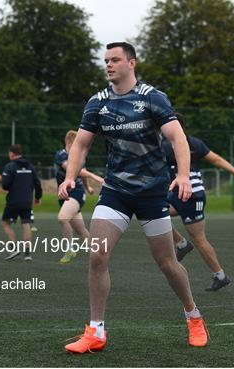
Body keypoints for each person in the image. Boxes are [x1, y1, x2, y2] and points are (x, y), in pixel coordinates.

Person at [59, 41, 208, 354]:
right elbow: (81, 145)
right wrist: (71, 176)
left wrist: (182, 175)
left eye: (115, 60)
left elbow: (177, 136)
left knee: (167, 263)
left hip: (151, 193)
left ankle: (193, 315)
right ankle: (95, 331)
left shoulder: (152, 97)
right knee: (97, 255)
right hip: (115, 191)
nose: (109, 65)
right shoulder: (97, 103)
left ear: (132, 63)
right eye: (106, 60)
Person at [162, 113, 234, 291]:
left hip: (191, 194)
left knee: (199, 238)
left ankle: (221, 276)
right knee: (151, 212)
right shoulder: (193, 142)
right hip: (176, 193)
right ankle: (181, 244)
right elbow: (216, 159)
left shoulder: (166, 145)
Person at [55, 130, 104, 264]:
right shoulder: (61, 155)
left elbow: (82, 173)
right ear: (68, 142)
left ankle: (69, 249)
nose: (78, 146)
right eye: (75, 143)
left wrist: (87, 187)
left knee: (62, 218)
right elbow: (73, 169)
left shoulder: (78, 155)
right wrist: (94, 176)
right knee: (81, 230)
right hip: (64, 194)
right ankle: (97, 253)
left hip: (76, 193)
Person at [1, 144, 43, 261]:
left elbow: (5, 185)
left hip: (13, 201)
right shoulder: (30, 166)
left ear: (12, 154)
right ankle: (27, 254)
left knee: (5, 223)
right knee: (26, 224)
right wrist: (38, 197)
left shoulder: (10, 166)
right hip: (27, 201)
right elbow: (38, 184)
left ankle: (14, 247)